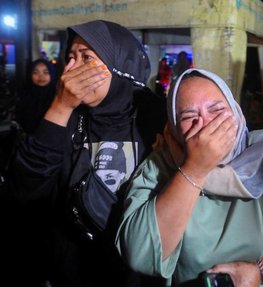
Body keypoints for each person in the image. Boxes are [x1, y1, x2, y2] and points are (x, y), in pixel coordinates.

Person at [115, 68, 263, 287]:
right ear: (174, 128)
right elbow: (141, 253)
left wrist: (261, 270)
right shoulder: (160, 167)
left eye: (217, 110)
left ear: (236, 111)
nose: (207, 124)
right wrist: (195, 169)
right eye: (189, 116)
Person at [10, 20, 166, 287]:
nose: (70, 69)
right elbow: (25, 189)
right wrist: (60, 107)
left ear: (119, 65)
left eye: (86, 58)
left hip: (138, 274)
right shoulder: (65, 116)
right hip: (73, 270)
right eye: (70, 57)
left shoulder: (156, 118)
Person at [15, 58, 57, 134]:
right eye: (35, 72)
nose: (41, 76)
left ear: (52, 74)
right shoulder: (24, 96)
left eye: (45, 72)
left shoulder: (58, 98)